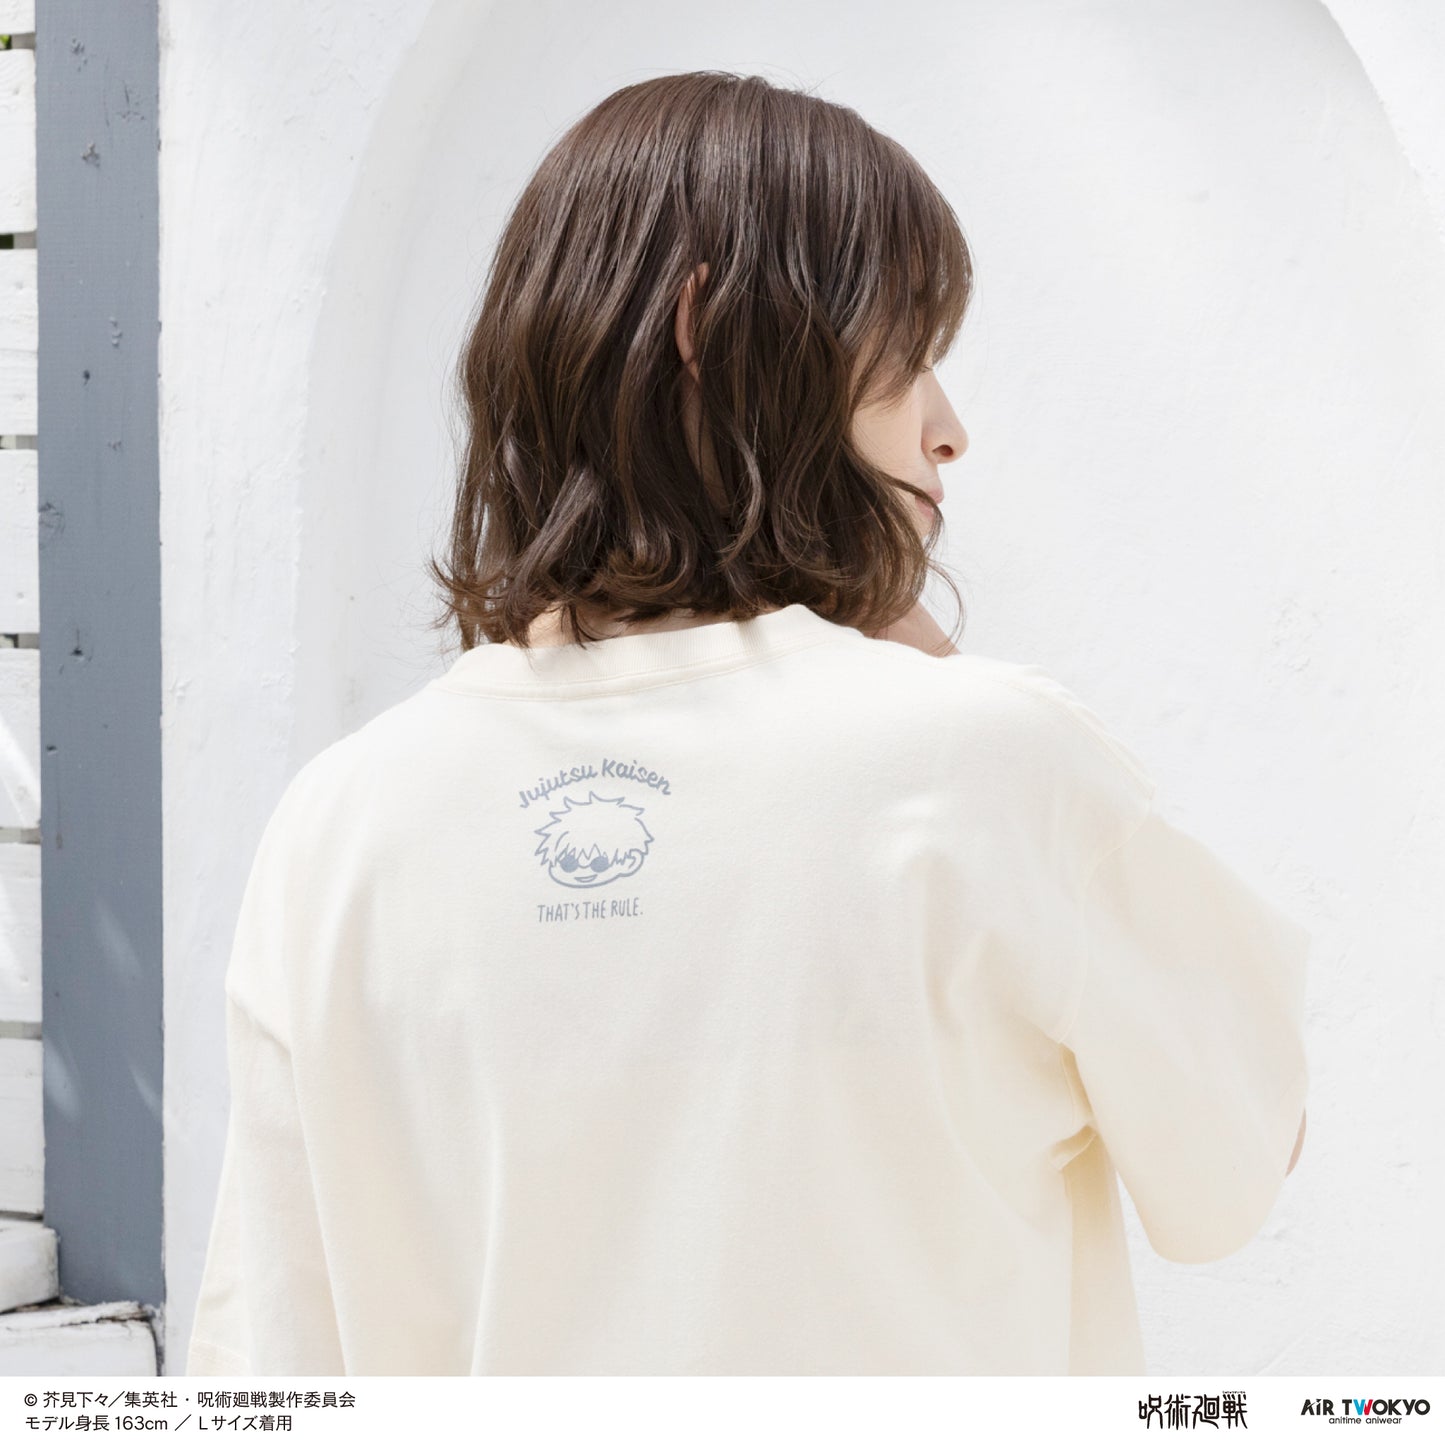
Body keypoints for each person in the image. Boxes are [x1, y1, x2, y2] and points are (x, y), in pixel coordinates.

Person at [186, 70, 1309, 1377]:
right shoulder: (984, 766)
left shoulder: (340, 823)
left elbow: (272, 1367)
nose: (947, 430)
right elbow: (1241, 1147)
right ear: (707, 329)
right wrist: (912, 653)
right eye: (907, 354)